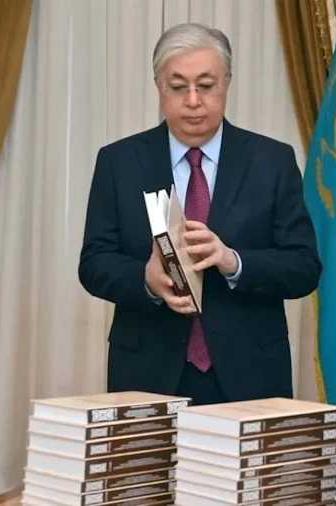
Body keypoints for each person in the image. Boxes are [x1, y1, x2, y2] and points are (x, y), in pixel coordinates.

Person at [78, 23, 321, 406]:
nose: (193, 101)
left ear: (227, 83)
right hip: (146, 372)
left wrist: (234, 262)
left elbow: (304, 267)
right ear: (159, 86)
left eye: (206, 85)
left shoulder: (272, 161)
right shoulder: (119, 162)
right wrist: (145, 279)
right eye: (178, 87)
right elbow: (94, 263)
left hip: (250, 373)